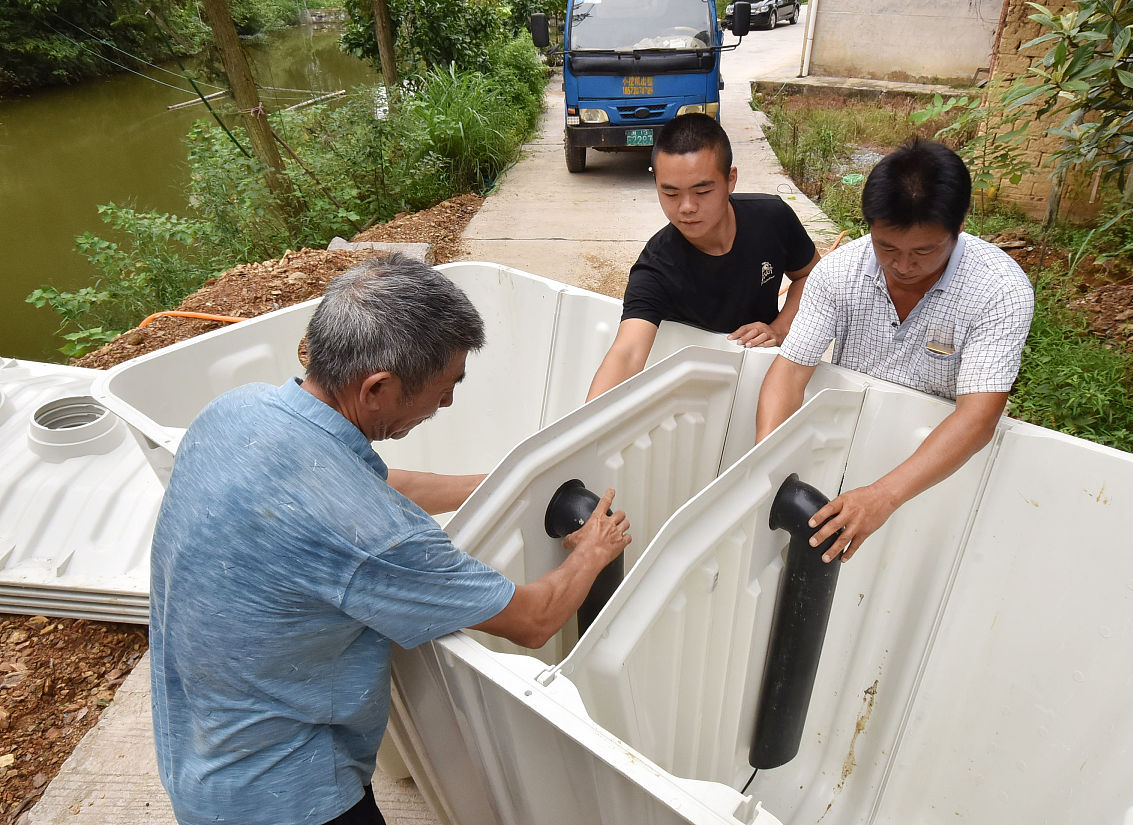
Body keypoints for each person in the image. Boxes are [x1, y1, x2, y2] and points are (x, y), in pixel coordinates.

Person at [149, 254, 632, 825]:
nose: (448, 402)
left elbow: (375, 481)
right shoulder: (378, 540)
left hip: (197, 752)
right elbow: (533, 619)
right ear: (377, 388)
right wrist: (595, 550)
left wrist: (501, 484)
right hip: (294, 797)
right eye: (446, 385)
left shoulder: (236, 412)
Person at [755, 138, 1034, 563]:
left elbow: (979, 417)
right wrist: (766, 463)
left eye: (924, 250)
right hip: (850, 451)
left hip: (934, 473)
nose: (903, 265)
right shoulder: (839, 271)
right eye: (886, 247)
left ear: (958, 229)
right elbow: (790, 373)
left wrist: (884, 495)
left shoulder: (1000, 289)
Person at [586, 113, 820, 400]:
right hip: (692, 396)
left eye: (702, 191)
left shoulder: (772, 217)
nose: (686, 207)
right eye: (670, 194)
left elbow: (811, 276)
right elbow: (627, 353)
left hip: (761, 379)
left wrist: (779, 329)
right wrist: (587, 432)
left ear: (730, 179)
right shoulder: (657, 267)